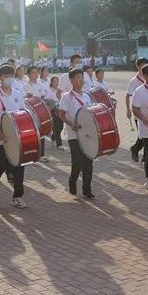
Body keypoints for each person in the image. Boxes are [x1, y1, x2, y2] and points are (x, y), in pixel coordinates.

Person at [0, 64, 28, 208]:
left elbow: (23, 114)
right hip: (1, 136)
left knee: (19, 165)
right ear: (0, 77)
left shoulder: (18, 94)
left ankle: (18, 196)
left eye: (11, 76)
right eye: (6, 76)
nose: (9, 79)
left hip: (17, 137)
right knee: (2, 165)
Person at [58, 68, 95, 199]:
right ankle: (72, 180)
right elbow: (61, 114)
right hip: (73, 135)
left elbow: (91, 113)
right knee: (78, 161)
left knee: (88, 162)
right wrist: (71, 124)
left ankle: (87, 189)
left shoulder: (86, 96)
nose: (81, 80)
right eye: (78, 77)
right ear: (72, 80)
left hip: (88, 134)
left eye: (82, 77)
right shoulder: (66, 96)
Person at [126, 57, 148, 163]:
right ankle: (143, 156)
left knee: (147, 135)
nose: (145, 68)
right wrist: (128, 110)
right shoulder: (134, 81)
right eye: (143, 66)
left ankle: (136, 150)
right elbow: (128, 96)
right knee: (144, 135)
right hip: (139, 113)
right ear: (138, 67)